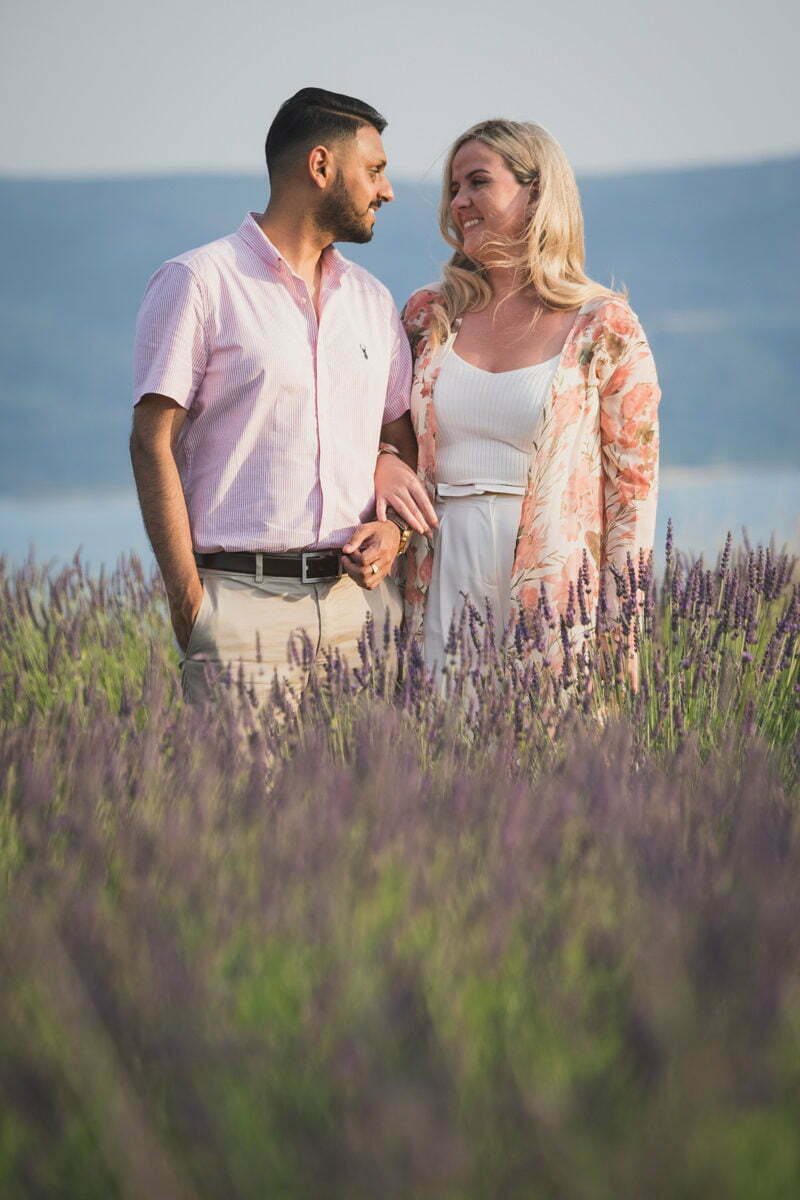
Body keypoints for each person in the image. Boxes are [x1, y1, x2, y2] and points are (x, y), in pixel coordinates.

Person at [130, 87, 436, 704]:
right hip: (242, 615)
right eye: (374, 170)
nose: (388, 190)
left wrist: (395, 537)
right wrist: (192, 606)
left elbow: (401, 445)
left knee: (373, 803)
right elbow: (150, 443)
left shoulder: (373, 303)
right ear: (321, 167)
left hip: (361, 617)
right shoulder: (198, 284)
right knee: (244, 805)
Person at [379, 118, 660, 675]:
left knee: (544, 751)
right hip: (438, 564)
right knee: (437, 748)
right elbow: (384, 432)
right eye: (453, 189)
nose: (460, 201)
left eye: (478, 182)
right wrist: (382, 460)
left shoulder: (605, 326)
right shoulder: (425, 316)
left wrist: (621, 638)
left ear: (536, 192)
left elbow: (632, 495)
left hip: (555, 583)